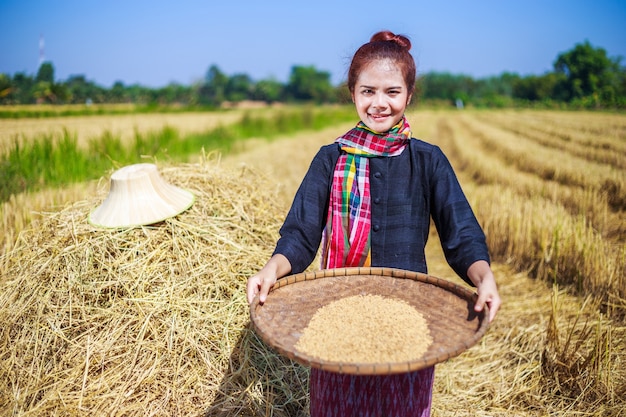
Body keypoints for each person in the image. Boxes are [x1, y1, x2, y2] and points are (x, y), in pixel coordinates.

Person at [247, 30, 501, 417]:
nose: (379, 104)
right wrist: (271, 269)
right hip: (339, 313)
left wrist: (483, 278)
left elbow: (461, 234)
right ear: (353, 93)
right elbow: (300, 235)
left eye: (391, 92)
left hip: (408, 320)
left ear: (408, 95)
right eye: (368, 91)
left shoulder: (428, 161)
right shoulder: (330, 158)